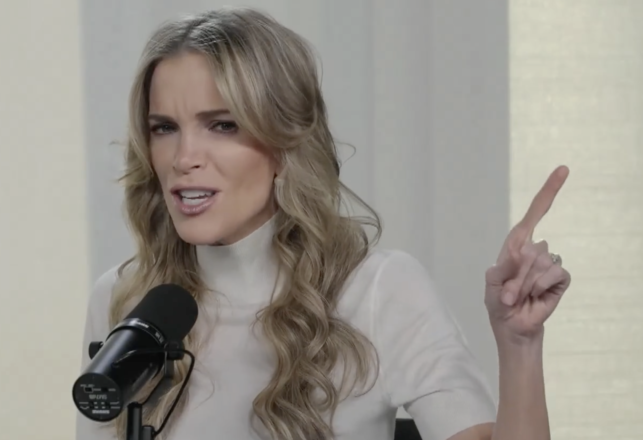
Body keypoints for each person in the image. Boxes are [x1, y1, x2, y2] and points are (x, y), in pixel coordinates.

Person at [77, 7, 571, 440]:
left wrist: (519, 345)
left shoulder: (377, 291)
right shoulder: (124, 298)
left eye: (223, 125)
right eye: (164, 128)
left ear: (282, 145)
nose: (184, 157)